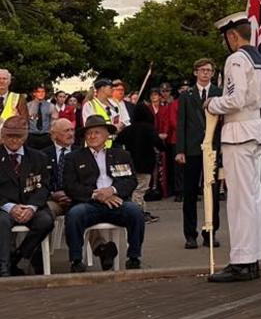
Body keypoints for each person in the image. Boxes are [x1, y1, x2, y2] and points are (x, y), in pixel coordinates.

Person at [206, 11, 261, 283]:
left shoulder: (236, 59)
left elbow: (234, 99)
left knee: (239, 200)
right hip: (255, 128)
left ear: (233, 36)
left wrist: (211, 104)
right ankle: (252, 258)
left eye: (227, 38)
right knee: (252, 197)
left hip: (239, 131)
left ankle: (242, 260)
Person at [63, 116, 145, 272]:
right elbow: (70, 186)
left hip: (116, 201)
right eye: (89, 133)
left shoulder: (122, 154)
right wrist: (95, 194)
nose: (92, 136)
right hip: (89, 203)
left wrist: (112, 191)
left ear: (107, 135)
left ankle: (134, 257)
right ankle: (76, 260)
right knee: (74, 215)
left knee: (135, 212)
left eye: (97, 132)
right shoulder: (73, 157)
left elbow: (131, 181)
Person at [0, 116, 54, 276]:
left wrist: (31, 207)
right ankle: (3, 267)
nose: (14, 140)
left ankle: (17, 257)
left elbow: (45, 186)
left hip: (32, 205)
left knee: (46, 221)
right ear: (2, 135)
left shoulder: (39, 157)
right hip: (4, 207)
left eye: (18, 136)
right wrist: (9, 207)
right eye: (10, 136)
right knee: (1, 222)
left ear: (25, 136)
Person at [176, 60, 222, 249]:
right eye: (202, 70)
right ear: (195, 73)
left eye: (209, 71)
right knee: (190, 193)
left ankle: (210, 231)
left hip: (212, 148)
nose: (205, 74)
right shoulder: (187, 95)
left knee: (212, 191)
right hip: (193, 149)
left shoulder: (218, 94)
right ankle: (190, 234)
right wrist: (180, 150)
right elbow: (182, 123)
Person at [115, 92, 165, 223]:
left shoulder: (129, 129)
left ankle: (143, 211)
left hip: (130, 163)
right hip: (146, 163)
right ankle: (136, 214)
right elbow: (159, 143)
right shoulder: (149, 128)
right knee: (141, 189)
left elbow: (118, 140)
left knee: (136, 188)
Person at [81, 77, 129, 141]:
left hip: (117, 142)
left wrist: (120, 126)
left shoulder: (116, 103)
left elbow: (126, 120)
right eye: (110, 87)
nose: (113, 89)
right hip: (99, 144)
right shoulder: (89, 105)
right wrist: (112, 128)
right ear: (102, 88)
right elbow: (90, 126)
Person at [25, 86, 57, 151]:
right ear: (34, 93)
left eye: (43, 92)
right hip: (31, 136)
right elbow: (24, 121)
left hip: (46, 136)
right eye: (38, 92)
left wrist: (52, 135)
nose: (41, 93)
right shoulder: (28, 106)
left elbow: (54, 122)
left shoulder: (51, 106)